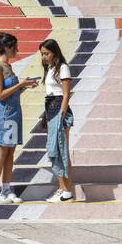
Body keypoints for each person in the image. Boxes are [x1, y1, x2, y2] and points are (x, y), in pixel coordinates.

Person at [0, 32, 37, 203]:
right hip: (3, 115)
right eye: (15, 46)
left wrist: (25, 86)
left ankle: (6, 189)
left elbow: (12, 92)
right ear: (7, 47)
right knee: (1, 152)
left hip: (14, 113)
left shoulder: (10, 67)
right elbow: (0, 94)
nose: (17, 49)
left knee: (10, 153)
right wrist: (21, 84)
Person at [39, 38, 77, 201]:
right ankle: (64, 189)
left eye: (46, 53)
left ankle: (64, 189)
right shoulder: (50, 68)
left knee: (60, 149)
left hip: (59, 110)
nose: (44, 57)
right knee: (56, 149)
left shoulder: (62, 68)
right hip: (50, 108)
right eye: (42, 54)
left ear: (55, 52)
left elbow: (66, 93)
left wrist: (61, 113)